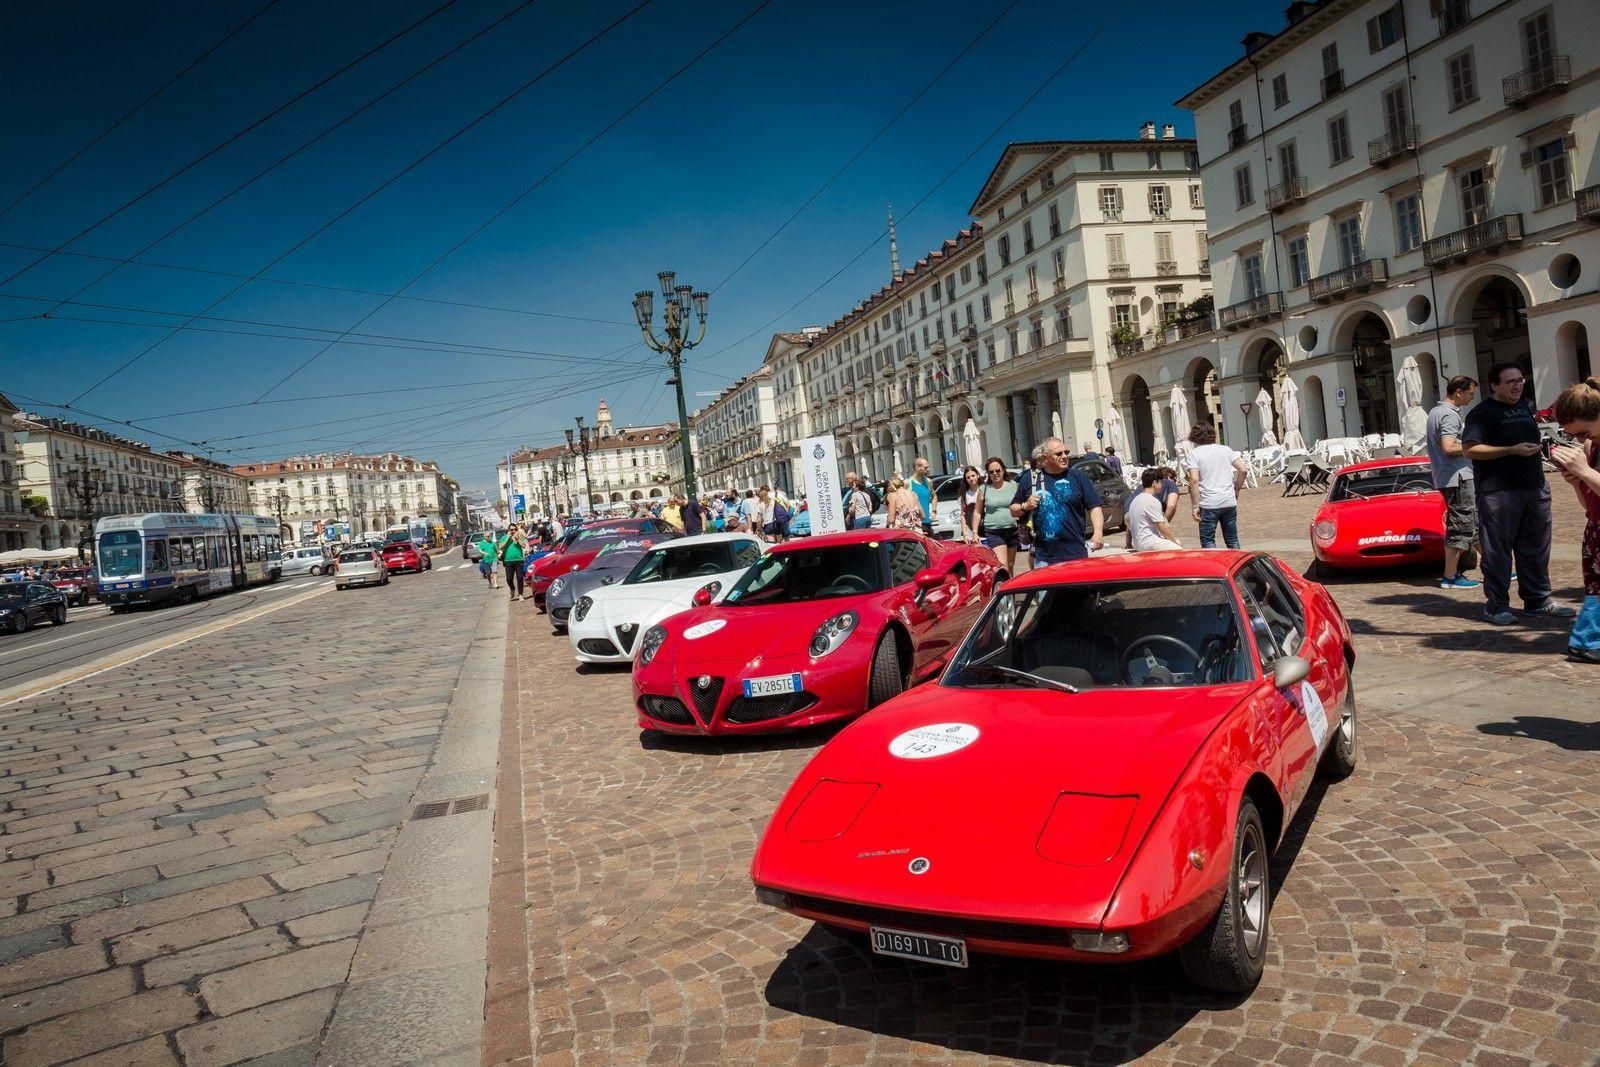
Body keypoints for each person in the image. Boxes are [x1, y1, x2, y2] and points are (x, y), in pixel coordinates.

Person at [1463, 363, 1574, 625]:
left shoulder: (1523, 407)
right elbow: (1470, 449)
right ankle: (1496, 605)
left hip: (1534, 487)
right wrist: (1511, 449)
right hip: (1499, 491)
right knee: (1497, 551)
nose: (1517, 385)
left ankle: (1538, 601)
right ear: (1495, 385)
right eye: (1510, 381)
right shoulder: (1482, 413)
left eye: (1520, 380)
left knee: (1535, 547)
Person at [1550, 377, 1600, 662]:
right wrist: (1576, 482)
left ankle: (1586, 640)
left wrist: (1585, 472)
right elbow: (1590, 506)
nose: (1581, 439)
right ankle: (1587, 641)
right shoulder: (1590, 448)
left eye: (1584, 431)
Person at [1425, 375, 1483, 589]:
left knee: (1472, 524)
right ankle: (1450, 577)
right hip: (1457, 477)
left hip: (1449, 476)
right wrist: (1476, 446)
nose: (1471, 398)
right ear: (1458, 391)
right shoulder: (1449, 415)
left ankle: (1496, 566)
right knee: (1460, 526)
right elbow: (1448, 447)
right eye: (1470, 393)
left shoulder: (1435, 412)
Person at [1010, 437, 1103, 565]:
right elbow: (1013, 510)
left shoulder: (1078, 477)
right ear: (1044, 458)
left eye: (1066, 452)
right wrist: (1025, 506)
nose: (1064, 456)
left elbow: (1094, 507)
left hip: (1076, 553)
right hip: (1044, 557)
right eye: (1059, 453)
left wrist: (1098, 532)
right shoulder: (1030, 480)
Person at [1184, 423, 1248, 549]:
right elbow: (1243, 470)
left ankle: (1212, 567)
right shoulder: (1226, 449)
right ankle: (1237, 565)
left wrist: (1195, 505)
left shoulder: (1194, 454)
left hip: (1208, 503)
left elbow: (1194, 479)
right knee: (1232, 540)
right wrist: (1237, 488)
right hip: (1228, 500)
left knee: (1208, 541)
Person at [975, 458, 1020, 571]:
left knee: (1010, 565)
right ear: (988, 474)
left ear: (1003, 470)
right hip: (994, 532)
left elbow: (1020, 504)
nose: (995, 474)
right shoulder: (984, 489)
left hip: (1012, 529)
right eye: (991, 472)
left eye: (997, 470)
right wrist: (974, 532)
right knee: (1003, 565)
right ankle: (1002, 587)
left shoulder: (1013, 485)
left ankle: (1009, 587)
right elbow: (977, 512)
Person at [1127, 467, 1183, 551]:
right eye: (1160, 482)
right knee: (1179, 548)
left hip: (1138, 543)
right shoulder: (1152, 501)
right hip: (1148, 542)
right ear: (1154, 483)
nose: (1161, 485)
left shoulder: (1136, 499)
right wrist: (1174, 541)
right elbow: (1162, 527)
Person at [498, 524, 527, 600]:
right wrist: (508, 537)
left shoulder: (520, 536)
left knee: (520, 578)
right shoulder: (504, 537)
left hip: (519, 560)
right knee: (509, 579)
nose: (513, 531)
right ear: (509, 530)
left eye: (515, 529)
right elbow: (500, 547)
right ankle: (512, 588)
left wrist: (518, 540)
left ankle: (520, 594)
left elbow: (524, 546)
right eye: (511, 530)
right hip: (508, 561)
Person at [956, 465, 983, 544]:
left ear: (977, 475)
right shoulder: (965, 495)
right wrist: (965, 534)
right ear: (966, 480)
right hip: (970, 532)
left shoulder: (985, 490)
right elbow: (963, 515)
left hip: (986, 530)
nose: (971, 478)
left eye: (973, 476)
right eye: (968, 477)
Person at [909, 457, 935, 536]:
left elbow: (934, 496)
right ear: (917, 468)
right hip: (913, 524)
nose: (928, 469)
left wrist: (934, 511)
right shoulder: (908, 483)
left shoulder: (928, 482)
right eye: (925, 467)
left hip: (927, 522)